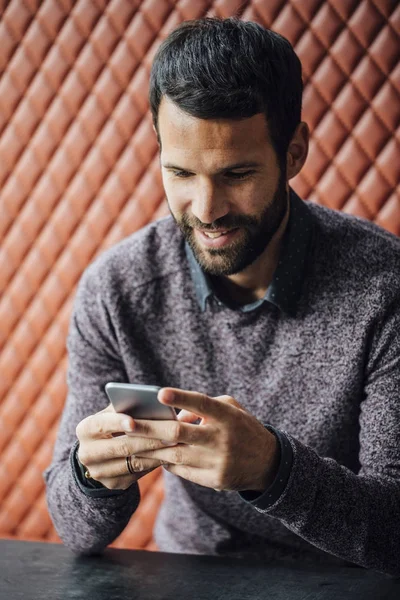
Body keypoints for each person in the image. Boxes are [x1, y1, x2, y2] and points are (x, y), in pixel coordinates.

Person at [44, 17, 400, 576]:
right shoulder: (116, 289)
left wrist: (273, 469)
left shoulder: (385, 288)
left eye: (237, 173)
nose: (206, 210)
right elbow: (73, 528)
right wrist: (91, 477)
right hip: (190, 573)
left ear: (295, 152)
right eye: (181, 172)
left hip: (350, 581)